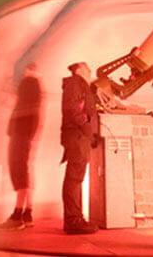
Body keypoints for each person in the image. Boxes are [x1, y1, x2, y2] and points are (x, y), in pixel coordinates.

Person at [0, 62, 43, 230]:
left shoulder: (29, 82)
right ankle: (27, 213)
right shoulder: (36, 85)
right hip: (26, 133)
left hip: (21, 133)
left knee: (19, 168)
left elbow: (24, 107)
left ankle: (18, 215)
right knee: (25, 170)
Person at [60, 62, 98, 234]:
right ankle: (73, 220)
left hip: (79, 136)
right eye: (88, 68)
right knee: (74, 178)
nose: (91, 71)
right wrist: (88, 129)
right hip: (77, 136)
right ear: (79, 70)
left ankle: (75, 218)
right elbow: (73, 109)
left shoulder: (79, 85)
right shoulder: (76, 83)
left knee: (76, 178)